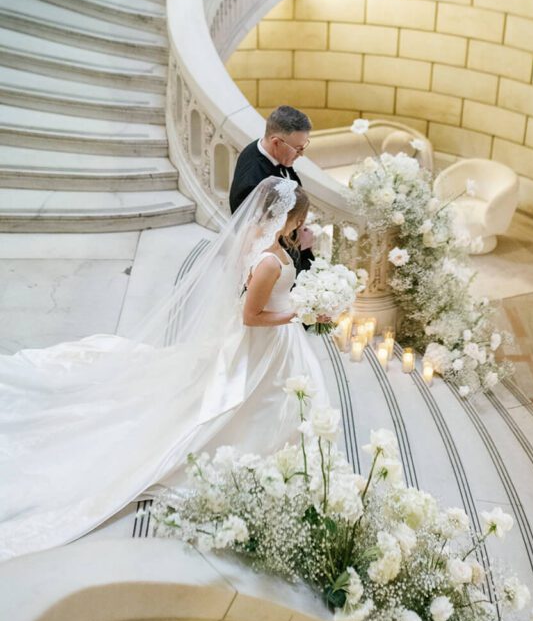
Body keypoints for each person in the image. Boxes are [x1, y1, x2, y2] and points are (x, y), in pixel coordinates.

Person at [0, 177, 328, 560]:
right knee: (252, 402)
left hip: (271, 342)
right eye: (300, 219)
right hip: (263, 343)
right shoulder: (270, 260)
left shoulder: (257, 237)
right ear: (284, 216)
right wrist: (298, 312)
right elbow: (251, 315)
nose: (301, 225)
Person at [229, 105, 314, 273]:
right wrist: (301, 244)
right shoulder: (253, 183)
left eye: (303, 147)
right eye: (298, 149)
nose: (301, 154)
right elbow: (257, 242)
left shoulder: (272, 152)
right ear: (276, 142)